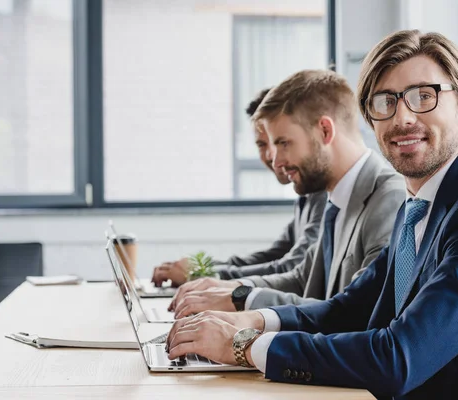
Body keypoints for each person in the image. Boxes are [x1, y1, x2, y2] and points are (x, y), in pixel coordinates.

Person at [165, 30, 458, 399]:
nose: (402, 116)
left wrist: (242, 345)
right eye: (385, 101)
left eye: (425, 96)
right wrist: (250, 318)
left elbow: (398, 356)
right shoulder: (419, 206)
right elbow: (345, 310)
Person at [168, 70, 405, 318]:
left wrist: (243, 300)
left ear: (325, 131)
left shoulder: (389, 200)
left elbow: (355, 312)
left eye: (283, 143)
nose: (276, 161)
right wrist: (229, 288)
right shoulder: (338, 198)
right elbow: (302, 279)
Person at [150, 88, 327, 287]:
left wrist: (202, 276)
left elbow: (291, 267)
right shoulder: (307, 195)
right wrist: (202, 270)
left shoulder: (324, 195)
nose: (272, 157)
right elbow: (273, 256)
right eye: (262, 145)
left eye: (280, 143)